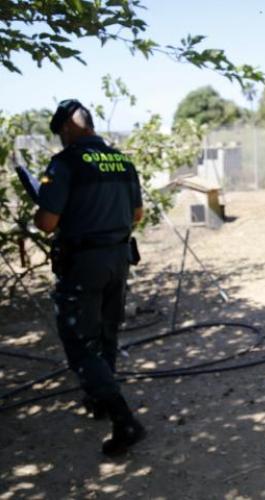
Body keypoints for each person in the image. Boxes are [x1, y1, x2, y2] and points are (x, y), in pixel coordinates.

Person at [33, 99, 146, 456]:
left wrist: (43, 208)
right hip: (118, 258)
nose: (61, 139)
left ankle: (123, 419)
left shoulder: (64, 163)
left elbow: (47, 222)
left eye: (60, 133)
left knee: (80, 341)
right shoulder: (122, 161)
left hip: (82, 262)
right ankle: (100, 399)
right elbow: (138, 215)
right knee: (106, 332)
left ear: (68, 127)